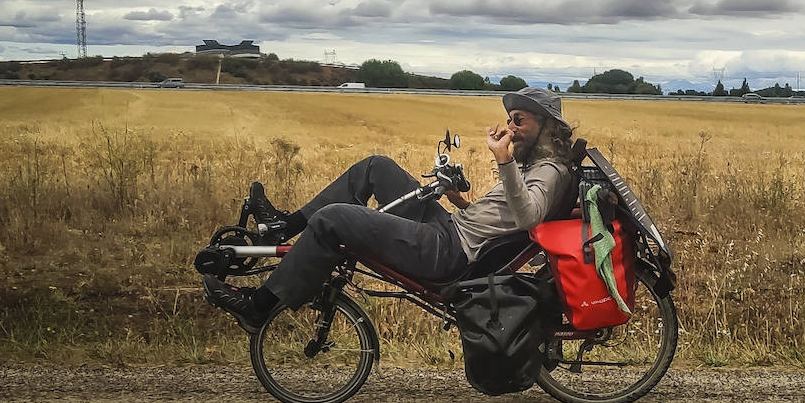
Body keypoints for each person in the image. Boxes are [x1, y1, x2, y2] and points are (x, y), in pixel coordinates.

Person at [203, 86, 575, 333]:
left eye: (519, 121)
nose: (510, 128)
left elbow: (528, 216)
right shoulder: (533, 165)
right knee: (375, 167)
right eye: (511, 120)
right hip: (451, 229)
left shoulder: (550, 170)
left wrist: (503, 161)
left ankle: (259, 306)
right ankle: (284, 227)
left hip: (447, 253)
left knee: (334, 218)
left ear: (547, 126)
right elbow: (503, 218)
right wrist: (462, 202)